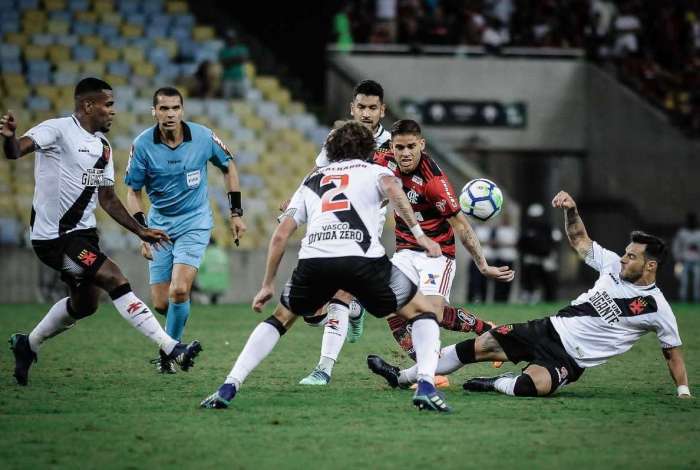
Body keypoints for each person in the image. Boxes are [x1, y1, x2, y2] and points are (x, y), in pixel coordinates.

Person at [201, 121, 451, 412]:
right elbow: (395, 191)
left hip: (314, 262)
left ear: (331, 150)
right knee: (423, 312)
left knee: (280, 319)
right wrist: (421, 236)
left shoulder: (312, 179)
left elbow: (281, 234)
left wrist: (267, 284)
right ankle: (425, 385)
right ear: (369, 149)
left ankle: (229, 385)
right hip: (363, 262)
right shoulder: (377, 171)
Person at [369, 190, 692, 400]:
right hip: (549, 328)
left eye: (631, 256)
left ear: (650, 265)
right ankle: (399, 376)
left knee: (531, 387)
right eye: (625, 252)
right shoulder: (610, 265)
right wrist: (572, 210)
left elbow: (672, 351)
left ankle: (494, 382)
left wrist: (683, 390)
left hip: (570, 359)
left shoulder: (657, 308)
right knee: (478, 346)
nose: (623, 258)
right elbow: (579, 239)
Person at [1, 78, 202, 386]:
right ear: (88, 105)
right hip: (54, 240)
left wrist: (140, 230)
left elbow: (107, 198)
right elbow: (16, 151)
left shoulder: (104, 149)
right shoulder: (56, 130)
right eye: (108, 104)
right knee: (115, 279)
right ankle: (172, 347)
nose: (113, 111)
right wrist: (10, 138)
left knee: (85, 304)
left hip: (83, 238)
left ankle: (28, 344)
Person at [367, 120, 513, 372]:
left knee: (430, 315)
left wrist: (483, 265)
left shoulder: (434, 182)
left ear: (421, 145)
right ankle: (426, 367)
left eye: (411, 146)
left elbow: (462, 226)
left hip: (437, 253)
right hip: (405, 250)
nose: (405, 153)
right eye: (399, 147)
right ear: (391, 146)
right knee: (391, 308)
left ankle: (484, 330)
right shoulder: (382, 159)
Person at [125, 86, 246, 373]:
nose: (170, 114)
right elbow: (132, 191)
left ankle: (170, 353)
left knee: (179, 291)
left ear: (182, 110)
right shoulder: (142, 145)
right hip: (159, 225)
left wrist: (236, 213)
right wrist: (141, 230)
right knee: (161, 303)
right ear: (153, 111)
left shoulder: (203, 136)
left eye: (175, 108)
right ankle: (174, 340)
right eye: (163, 109)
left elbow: (229, 167)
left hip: (195, 221)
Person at [297, 79, 393, 385]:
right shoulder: (338, 139)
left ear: (382, 110)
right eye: (361, 107)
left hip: (365, 230)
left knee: (340, 290)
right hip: (329, 223)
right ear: (352, 108)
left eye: (372, 108)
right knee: (311, 311)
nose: (366, 113)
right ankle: (354, 312)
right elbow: (318, 173)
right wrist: (297, 197)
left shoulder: (392, 144)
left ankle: (323, 369)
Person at [672, 212, 700, 302]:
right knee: (684, 282)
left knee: (697, 281)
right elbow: (676, 246)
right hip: (684, 261)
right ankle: (683, 299)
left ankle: (696, 300)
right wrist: (678, 257)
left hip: (697, 261)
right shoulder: (682, 233)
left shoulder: (698, 233)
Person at [219, 29, 250, 99]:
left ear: (236, 38)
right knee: (226, 101)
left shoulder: (242, 48)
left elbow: (244, 59)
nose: (231, 40)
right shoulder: (223, 50)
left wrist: (230, 60)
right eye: (229, 38)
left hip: (240, 78)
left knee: (242, 100)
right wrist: (237, 58)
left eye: (233, 38)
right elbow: (224, 63)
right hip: (227, 79)